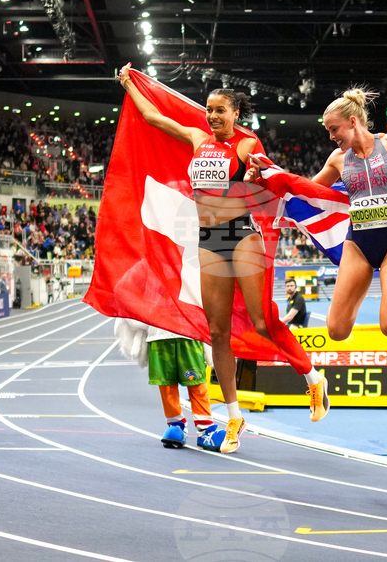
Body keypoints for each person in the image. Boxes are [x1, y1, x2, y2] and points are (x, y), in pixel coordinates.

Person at [118, 63, 329, 454]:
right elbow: (152, 116)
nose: (212, 116)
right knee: (217, 333)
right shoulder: (196, 138)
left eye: (220, 110)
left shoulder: (248, 143)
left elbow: (261, 175)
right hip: (208, 238)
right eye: (209, 110)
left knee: (262, 321)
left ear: (235, 113)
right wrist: (130, 82)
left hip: (241, 234)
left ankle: (313, 378)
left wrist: (254, 175)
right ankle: (232, 416)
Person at [251, 88, 387, 342]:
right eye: (328, 131)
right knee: (337, 331)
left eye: (333, 129)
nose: (330, 137)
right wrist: (270, 177)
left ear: (352, 122)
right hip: (358, 245)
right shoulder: (337, 160)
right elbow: (305, 191)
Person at [114, 319, 219, 451]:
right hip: (159, 335)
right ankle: (176, 424)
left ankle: (205, 429)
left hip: (190, 333)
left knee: (197, 383)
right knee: (166, 386)